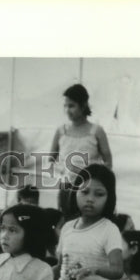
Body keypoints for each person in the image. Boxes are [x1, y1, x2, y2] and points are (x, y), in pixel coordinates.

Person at [51, 84, 112, 218]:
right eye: (65, 106)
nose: (68, 110)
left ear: (83, 105)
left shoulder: (96, 131)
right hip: (67, 189)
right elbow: (51, 160)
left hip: (89, 191)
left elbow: (108, 162)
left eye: (72, 106)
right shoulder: (61, 131)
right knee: (66, 224)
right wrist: (62, 173)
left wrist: (96, 182)